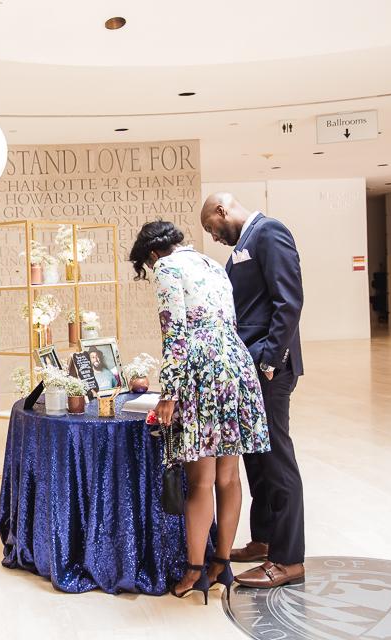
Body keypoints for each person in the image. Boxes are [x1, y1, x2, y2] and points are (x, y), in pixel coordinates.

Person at [129, 221, 270, 602]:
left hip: (201, 367)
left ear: (153, 254)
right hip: (235, 363)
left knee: (201, 480)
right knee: (229, 475)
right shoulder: (211, 264)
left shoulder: (166, 268)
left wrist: (169, 394)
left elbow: (173, 334)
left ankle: (193, 571)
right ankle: (221, 563)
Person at [200, 192, 306, 589]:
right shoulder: (243, 244)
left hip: (270, 369)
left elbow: (289, 302)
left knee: (277, 460)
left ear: (223, 211)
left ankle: (289, 558)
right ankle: (263, 539)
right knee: (256, 459)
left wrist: (268, 361)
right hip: (249, 369)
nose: (214, 237)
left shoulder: (270, 232)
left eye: (212, 228)